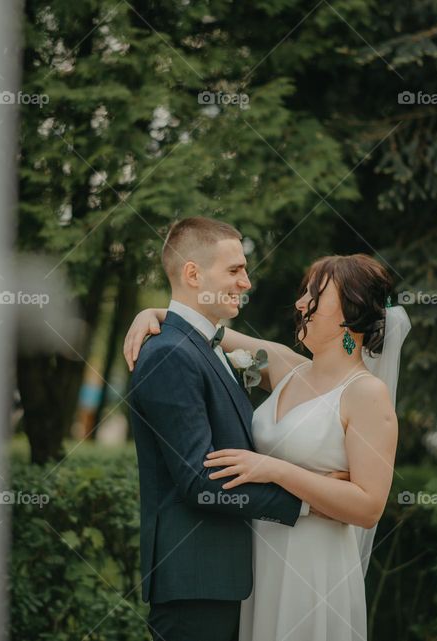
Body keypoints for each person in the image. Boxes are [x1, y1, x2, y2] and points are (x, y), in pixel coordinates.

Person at [125, 216, 408, 641]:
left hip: (314, 564)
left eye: (315, 296)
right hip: (260, 557)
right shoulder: (287, 368)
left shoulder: (367, 395)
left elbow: (369, 508)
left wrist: (275, 470)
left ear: (350, 313)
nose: (300, 304)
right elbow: (201, 330)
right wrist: (152, 312)